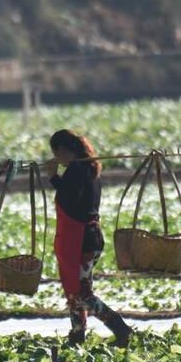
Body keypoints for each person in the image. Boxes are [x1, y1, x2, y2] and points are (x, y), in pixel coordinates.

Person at [45, 129, 132, 348]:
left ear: (64, 150)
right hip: (90, 238)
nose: (58, 159)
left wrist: (53, 176)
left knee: (82, 293)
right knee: (76, 290)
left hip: (83, 240)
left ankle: (120, 327)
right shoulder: (89, 167)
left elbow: (68, 201)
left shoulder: (77, 170)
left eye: (57, 154)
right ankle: (77, 334)